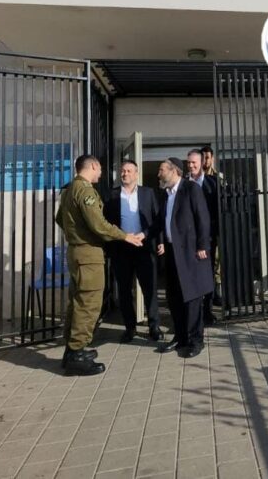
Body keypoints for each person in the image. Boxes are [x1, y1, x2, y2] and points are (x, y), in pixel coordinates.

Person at [56, 155, 143, 375]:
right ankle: (77, 355)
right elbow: (99, 224)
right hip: (88, 254)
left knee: (77, 302)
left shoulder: (69, 189)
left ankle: (72, 350)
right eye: (100, 168)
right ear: (93, 166)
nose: (101, 173)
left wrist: (75, 233)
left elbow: (59, 219)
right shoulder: (85, 191)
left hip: (76, 252)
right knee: (89, 304)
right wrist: (124, 236)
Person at [156, 157, 214, 358]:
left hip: (191, 252)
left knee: (192, 297)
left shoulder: (191, 189)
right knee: (174, 297)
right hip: (172, 252)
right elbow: (162, 221)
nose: (159, 174)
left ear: (174, 171)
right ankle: (180, 337)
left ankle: (195, 340)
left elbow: (203, 218)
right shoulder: (165, 194)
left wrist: (202, 245)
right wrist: (161, 240)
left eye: (162, 170)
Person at [104, 160, 164, 343]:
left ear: (137, 174)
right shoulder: (112, 195)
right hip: (121, 249)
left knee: (150, 289)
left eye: (129, 171)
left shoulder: (148, 193)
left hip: (143, 247)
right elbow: (105, 223)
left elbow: (157, 219)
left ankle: (154, 326)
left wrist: (159, 241)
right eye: (123, 171)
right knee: (124, 291)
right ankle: (130, 328)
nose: (125, 174)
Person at [187, 149, 220, 323]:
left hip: (208, 238)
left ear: (202, 163)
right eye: (189, 163)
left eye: (194, 162)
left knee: (207, 274)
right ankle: (192, 313)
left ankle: (207, 311)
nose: (191, 166)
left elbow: (219, 211)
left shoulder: (213, 183)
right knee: (190, 275)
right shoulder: (182, 184)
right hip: (187, 239)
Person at [201, 145, 223, 306]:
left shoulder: (219, 179)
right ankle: (206, 295)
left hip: (216, 226)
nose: (205, 161)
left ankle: (216, 293)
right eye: (203, 158)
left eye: (207, 158)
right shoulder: (195, 179)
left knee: (217, 261)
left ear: (212, 159)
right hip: (202, 227)